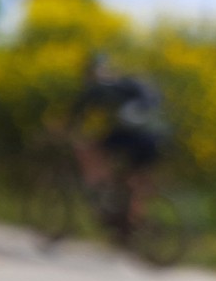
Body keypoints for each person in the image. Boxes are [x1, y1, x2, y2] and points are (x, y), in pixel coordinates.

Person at [68, 52, 170, 234]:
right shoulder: (130, 82)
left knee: (88, 148)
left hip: (133, 136)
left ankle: (100, 187)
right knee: (135, 179)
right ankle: (133, 221)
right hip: (159, 136)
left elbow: (77, 116)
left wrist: (70, 130)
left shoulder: (99, 85)